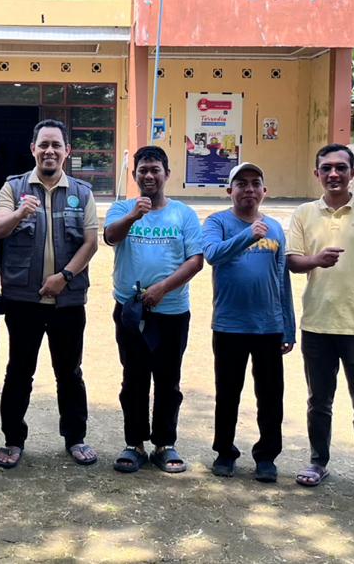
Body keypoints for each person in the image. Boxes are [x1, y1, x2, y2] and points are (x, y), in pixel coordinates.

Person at [285, 144, 354, 505]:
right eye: (327, 168)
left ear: (352, 173)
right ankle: (318, 462)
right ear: (316, 173)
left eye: (341, 168)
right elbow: (293, 262)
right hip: (317, 323)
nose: (334, 174)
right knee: (319, 400)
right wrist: (316, 260)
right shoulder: (304, 213)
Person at [0, 119, 100, 468]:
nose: (49, 151)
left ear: (67, 151)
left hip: (68, 301)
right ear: (33, 149)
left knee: (69, 372)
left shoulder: (82, 192)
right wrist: (20, 212)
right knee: (19, 371)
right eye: (43, 145)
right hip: (24, 301)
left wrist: (64, 278)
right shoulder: (13, 188)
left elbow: (91, 243)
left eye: (56, 145)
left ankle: (75, 438)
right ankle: (13, 440)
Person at [104, 146, 204, 474]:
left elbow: (195, 261)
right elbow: (110, 237)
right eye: (143, 170)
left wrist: (163, 288)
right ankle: (134, 444)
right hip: (131, 311)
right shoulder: (122, 208)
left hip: (172, 312)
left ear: (167, 174)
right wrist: (134, 216)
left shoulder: (184, 215)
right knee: (133, 378)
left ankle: (164, 443)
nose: (148, 175)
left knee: (168, 380)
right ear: (135, 176)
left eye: (155, 170)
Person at [202, 162, 295, 483]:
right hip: (229, 325)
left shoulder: (276, 228)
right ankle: (224, 452)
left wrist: (288, 326)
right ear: (230, 191)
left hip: (268, 327)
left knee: (271, 396)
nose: (249, 189)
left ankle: (266, 456)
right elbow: (212, 254)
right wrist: (247, 235)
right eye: (241, 184)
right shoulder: (217, 222)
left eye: (255, 183)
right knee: (228, 393)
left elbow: (282, 279)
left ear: (264, 191)